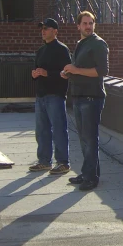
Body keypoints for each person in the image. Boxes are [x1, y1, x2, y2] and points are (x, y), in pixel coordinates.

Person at [61, 11, 109, 191]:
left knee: (90, 139)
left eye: (91, 23)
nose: (88, 26)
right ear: (78, 26)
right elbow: (79, 68)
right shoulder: (82, 43)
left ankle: (91, 178)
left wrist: (76, 70)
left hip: (92, 98)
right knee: (83, 139)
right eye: (85, 23)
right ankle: (88, 173)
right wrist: (68, 73)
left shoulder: (98, 44)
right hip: (79, 96)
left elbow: (101, 71)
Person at [29, 18, 72, 175]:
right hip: (41, 96)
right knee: (41, 130)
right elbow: (36, 70)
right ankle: (44, 161)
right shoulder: (41, 51)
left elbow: (67, 72)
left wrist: (48, 73)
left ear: (55, 31)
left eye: (46, 28)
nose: (43, 31)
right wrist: (34, 74)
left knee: (59, 129)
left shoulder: (62, 49)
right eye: (42, 28)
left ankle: (63, 162)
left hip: (55, 95)